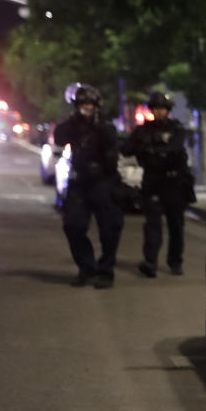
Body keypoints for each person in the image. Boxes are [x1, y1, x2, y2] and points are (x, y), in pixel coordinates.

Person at [53, 84, 123, 289]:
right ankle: (86, 267)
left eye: (90, 104)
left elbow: (112, 143)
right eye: (82, 105)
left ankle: (106, 271)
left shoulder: (104, 125)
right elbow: (59, 137)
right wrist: (73, 120)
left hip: (103, 182)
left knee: (110, 229)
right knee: (72, 225)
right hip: (80, 182)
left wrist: (97, 124)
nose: (86, 108)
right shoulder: (72, 125)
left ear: (97, 106)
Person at [122, 92, 192, 277]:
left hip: (174, 182)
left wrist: (158, 151)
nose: (159, 112)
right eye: (156, 109)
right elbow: (127, 148)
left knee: (176, 225)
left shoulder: (176, 129)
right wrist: (143, 148)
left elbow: (175, 148)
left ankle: (175, 262)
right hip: (153, 181)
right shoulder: (143, 130)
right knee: (153, 224)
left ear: (167, 110)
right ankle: (150, 261)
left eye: (162, 109)